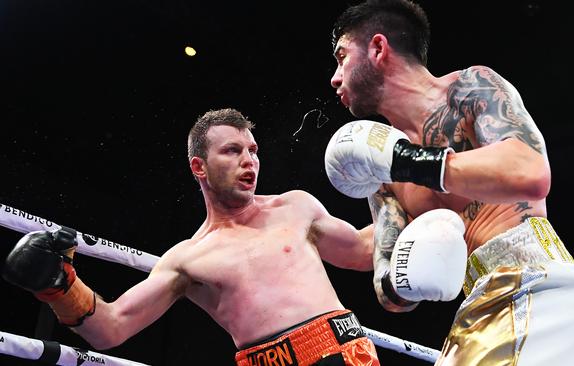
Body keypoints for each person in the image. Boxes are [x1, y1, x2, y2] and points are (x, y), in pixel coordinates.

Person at [323, 0, 574, 365]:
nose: (335, 77)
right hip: (479, 303)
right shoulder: (384, 175)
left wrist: (409, 162)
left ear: (378, 48)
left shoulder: (468, 89)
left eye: (341, 56)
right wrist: (405, 279)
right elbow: (387, 284)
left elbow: (529, 173)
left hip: (538, 287)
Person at [2, 108, 381, 366]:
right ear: (199, 166)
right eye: (232, 151)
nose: (248, 160)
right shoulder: (188, 258)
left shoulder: (296, 207)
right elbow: (111, 327)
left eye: (252, 150)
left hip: (344, 349)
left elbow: (365, 252)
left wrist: (387, 180)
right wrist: (60, 287)